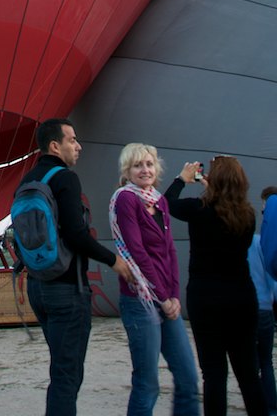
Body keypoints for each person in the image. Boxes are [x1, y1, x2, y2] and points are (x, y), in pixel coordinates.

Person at [16, 117, 132, 416]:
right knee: (67, 375)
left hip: (37, 287)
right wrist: (114, 260)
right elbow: (76, 235)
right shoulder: (65, 178)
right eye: (72, 140)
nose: (78, 146)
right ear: (55, 145)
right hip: (67, 288)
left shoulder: (27, 180)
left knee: (61, 367)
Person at [166, 156, 267, 416]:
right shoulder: (248, 215)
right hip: (242, 297)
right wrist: (216, 187)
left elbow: (165, 204)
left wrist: (182, 179)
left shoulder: (198, 209)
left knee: (213, 374)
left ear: (214, 180)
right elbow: (225, 211)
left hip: (205, 297)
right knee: (248, 374)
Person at [109, 143, 199, 416]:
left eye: (149, 164)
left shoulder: (159, 199)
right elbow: (137, 251)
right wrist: (162, 295)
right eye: (138, 165)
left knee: (188, 377)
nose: (144, 170)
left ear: (156, 168)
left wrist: (173, 295)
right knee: (148, 384)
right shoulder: (125, 199)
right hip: (140, 298)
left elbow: (170, 250)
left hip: (165, 298)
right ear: (127, 170)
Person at [248, 188, 277, 416]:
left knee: (251, 364)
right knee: (266, 362)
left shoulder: (249, 242)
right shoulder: (261, 244)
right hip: (266, 309)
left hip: (246, 309)